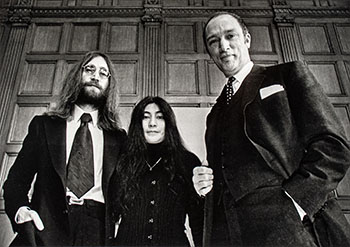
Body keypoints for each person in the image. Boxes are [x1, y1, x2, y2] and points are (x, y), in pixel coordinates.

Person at [192, 12, 350, 247]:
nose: (223, 46)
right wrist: (203, 186)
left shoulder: (287, 76)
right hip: (229, 234)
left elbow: (333, 145)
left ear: (247, 39)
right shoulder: (214, 114)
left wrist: (297, 203)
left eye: (230, 36)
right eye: (214, 41)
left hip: (290, 230)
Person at [3, 51, 127, 246]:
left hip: (97, 232)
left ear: (110, 85)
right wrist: (21, 211)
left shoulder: (118, 138)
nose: (96, 76)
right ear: (77, 76)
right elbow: (16, 181)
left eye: (104, 73)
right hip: (45, 229)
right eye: (90, 69)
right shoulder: (44, 126)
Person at [108, 96, 204, 246]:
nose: (152, 123)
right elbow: (109, 215)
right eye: (145, 117)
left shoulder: (188, 162)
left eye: (160, 117)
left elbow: (198, 221)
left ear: (168, 123)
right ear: (137, 124)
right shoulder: (121, 160)